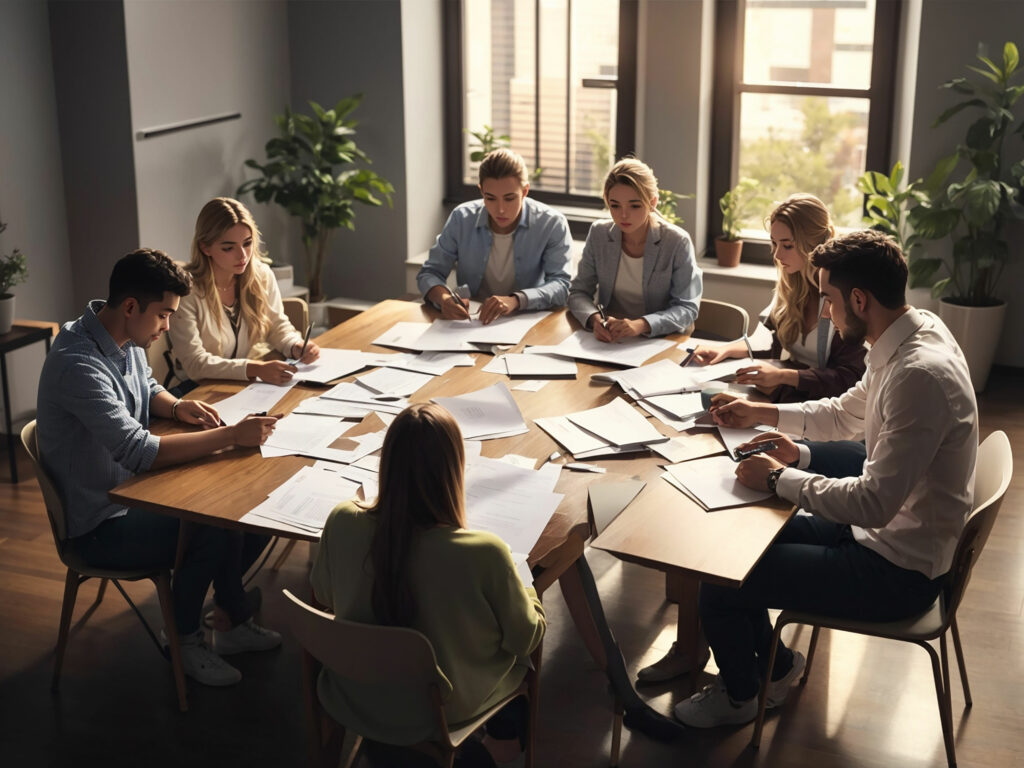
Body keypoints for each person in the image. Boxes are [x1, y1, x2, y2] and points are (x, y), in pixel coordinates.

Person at [673, 230, 978, 728]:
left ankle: (740, 697)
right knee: (741, 537)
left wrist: (779, 479)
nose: (827, 312)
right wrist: (764, 415)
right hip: (881, 537)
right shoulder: (911, 334)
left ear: (859, 299)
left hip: (896, 573)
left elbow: (873, 503)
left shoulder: (918, 376)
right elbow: (844, 413)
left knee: (722, 579)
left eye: (830, 299)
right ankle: (778, 667)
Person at [37, 249, 284, 687]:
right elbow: (139, 451)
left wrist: (178, 405)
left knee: (245, 507)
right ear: (131, 306)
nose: (168, 326)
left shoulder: (124, 335)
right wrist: (230, 436)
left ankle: (231, 615)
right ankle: (185, 641)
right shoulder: (77, 364)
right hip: (98, 524)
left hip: (135, 491)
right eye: (164, 315)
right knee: (210, 526)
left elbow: (148, 387)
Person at [311, 403, 545, 767]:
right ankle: (489, 754)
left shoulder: (342, 520)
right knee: (520, 687)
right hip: (440, 708)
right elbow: (524, 639)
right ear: (455, 470)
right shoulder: (484, 553)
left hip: (354, 690)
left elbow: (324, 594)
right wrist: (528, 588)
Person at [694, 193, 870, 478]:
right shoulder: (791, 284)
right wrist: (725, 350)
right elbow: (769, 341)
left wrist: (784, 377)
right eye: (774, 244)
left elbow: (848, 381)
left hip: (829, 426)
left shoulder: (839, 299)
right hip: (790, 404)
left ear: (815, 243)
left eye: (787, 245)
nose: (777, 255)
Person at [167, 196, 321, 391]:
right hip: (197, 388)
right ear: (205, 247)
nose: (243, 256)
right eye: (229, 248)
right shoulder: (186, 290)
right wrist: (255, 369)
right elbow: (195, 364)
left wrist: (294, 345)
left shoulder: (261, 275)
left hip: (244, 384)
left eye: (247, 243)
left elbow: (276, 325)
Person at [417, 147, 572, 325]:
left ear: (525, 191)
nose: (500, 210)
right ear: (481, 191)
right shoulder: (461, 218)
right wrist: (444, 299)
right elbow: (430, 272)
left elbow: (561, 285)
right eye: (490, 198)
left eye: (509, 198)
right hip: (471, 321)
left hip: (527, 321)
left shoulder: (552, 223)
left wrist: (516, 300)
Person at [568, 158, 702, 340]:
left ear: (652, 202)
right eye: (615, 205)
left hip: (658, 339)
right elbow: (578, 292)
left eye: (635, 205)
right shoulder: (600, 234)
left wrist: (641, 325)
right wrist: (594, 320)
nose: (623, 215)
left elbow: (687, 309)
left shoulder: (677, 242)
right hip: (609, 338)